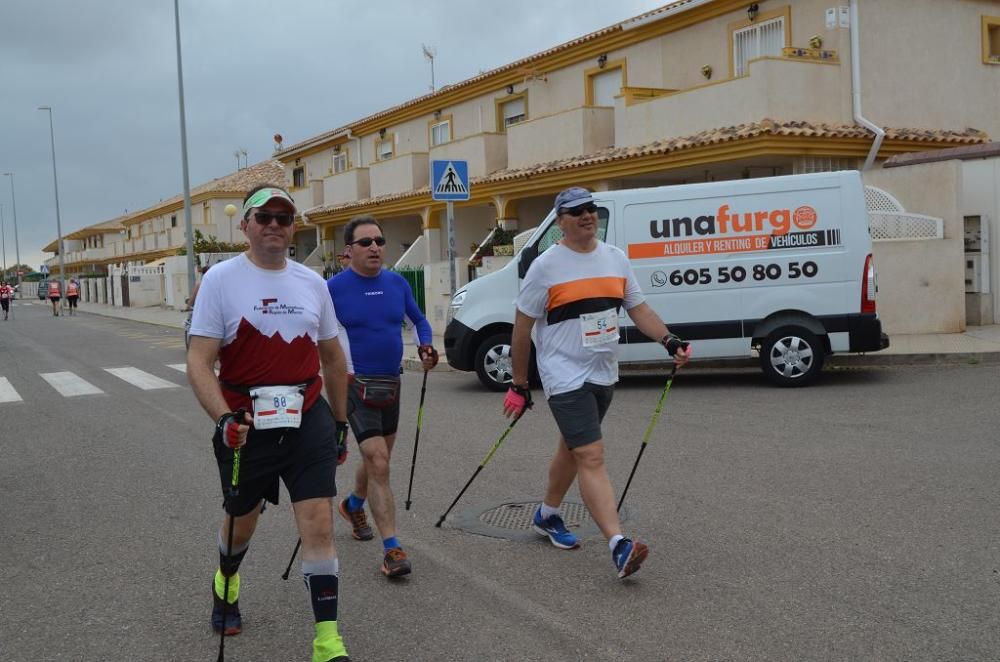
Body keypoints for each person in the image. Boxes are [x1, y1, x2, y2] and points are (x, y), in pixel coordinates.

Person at [187, 184, 352, 662]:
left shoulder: (312, 283)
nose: (275, 224)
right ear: (246, 226)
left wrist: (339, 423)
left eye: (284, 216)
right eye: (264, 216)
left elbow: (333, 359)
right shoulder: (221, 280)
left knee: (318, 523)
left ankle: (327, 641)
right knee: (243, 522)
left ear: (293, 225)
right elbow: (199, 363)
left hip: (308, 418)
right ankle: (227, 579)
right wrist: (223, 419)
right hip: (245, 423)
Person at [502, 186, 692, 580]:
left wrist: (668, 339)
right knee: (591, 454)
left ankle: (547, 514)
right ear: (560, 223)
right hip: (563, 373)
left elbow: (638, 307)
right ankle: (619, 545)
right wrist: (519, 383)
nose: (587, 216)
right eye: (576, 212)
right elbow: (522, 327)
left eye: (590, 209)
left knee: (572, 449)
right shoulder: (545, 266)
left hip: (603, 371)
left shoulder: (615, 259)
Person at [327, 215, 437, 579]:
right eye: (365, 242)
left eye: (379, 240)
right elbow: (317, 336)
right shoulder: (333, 289)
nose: (375, 247)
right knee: (377, 459)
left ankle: (353, 504)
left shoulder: (396, 283)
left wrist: (425, 346)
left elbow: (419, 320)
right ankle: (393, 550)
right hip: (354, 384)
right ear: (348, 250)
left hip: (391, 383)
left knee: (381, 459)